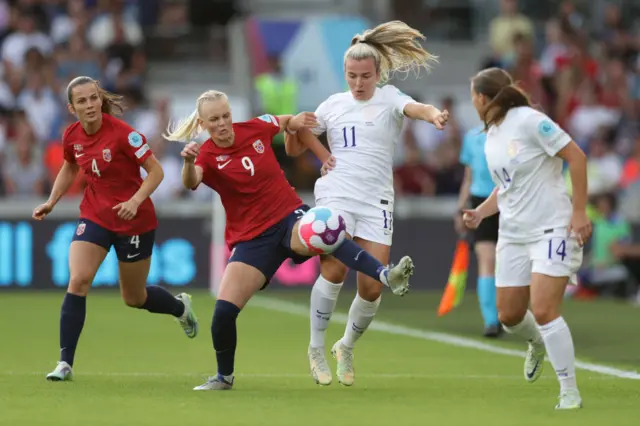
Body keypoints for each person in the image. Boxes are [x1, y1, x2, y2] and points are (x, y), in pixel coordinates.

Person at [164, 89, 415, 391]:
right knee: (223, 314)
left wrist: (308, 137)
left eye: (226, 116)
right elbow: (191, 182)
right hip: (252, 239)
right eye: (214, 119)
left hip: (289, 218)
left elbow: (286, 122)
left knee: (327, 230)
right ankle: (224, 377)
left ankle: (384, 274)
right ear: (203, 124)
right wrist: (188, 163)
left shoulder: (256, 127)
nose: (223, 123)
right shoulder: (205, 155)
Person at [286, 20, 448, 387]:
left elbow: (416, 108)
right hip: (337, 193)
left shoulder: (390, 98)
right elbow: (296, 146)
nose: (358, 83)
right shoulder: (333, 105)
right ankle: (315, 348)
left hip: (376, 200)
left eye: (365, 76)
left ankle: (345, 346)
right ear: (344, 74)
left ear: (378, 74)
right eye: (351, 75)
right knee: (333, 271)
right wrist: (296, 130)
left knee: (372, 287)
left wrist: (434, 115)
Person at [33, 76, 198, 382]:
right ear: (72, 108)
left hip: (134, 220)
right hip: (95, 216)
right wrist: (52, 200)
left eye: (93, 98)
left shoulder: (125, 134)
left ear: (100, 100)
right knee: (79, 279)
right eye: (81, 101)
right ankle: (64, 363)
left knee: (134, 297)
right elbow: (70, 166)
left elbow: (156, 171)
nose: (89, 105)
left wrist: (135, 201)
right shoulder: (71, 135)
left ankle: (179, 308)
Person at [462, 67, 591, 409]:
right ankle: (536, 342)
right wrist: (481, 212)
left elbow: (576, 156)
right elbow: (506, 187)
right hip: (513, 234)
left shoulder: (530, 121)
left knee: (545, 308)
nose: (472, 102)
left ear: (482, 98)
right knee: (509, 315)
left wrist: (579, 212)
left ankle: (569, 392)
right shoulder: (490, 135)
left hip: (551, 227)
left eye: (472, 96)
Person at [455, 126, 501, 338]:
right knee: (487, 257)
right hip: (481, 200)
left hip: (509, 200)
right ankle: (491, 320)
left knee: (508, 261)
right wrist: (460, 208)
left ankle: (508, 312)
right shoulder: (471, 137)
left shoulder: (511, 132)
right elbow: (468, 178)